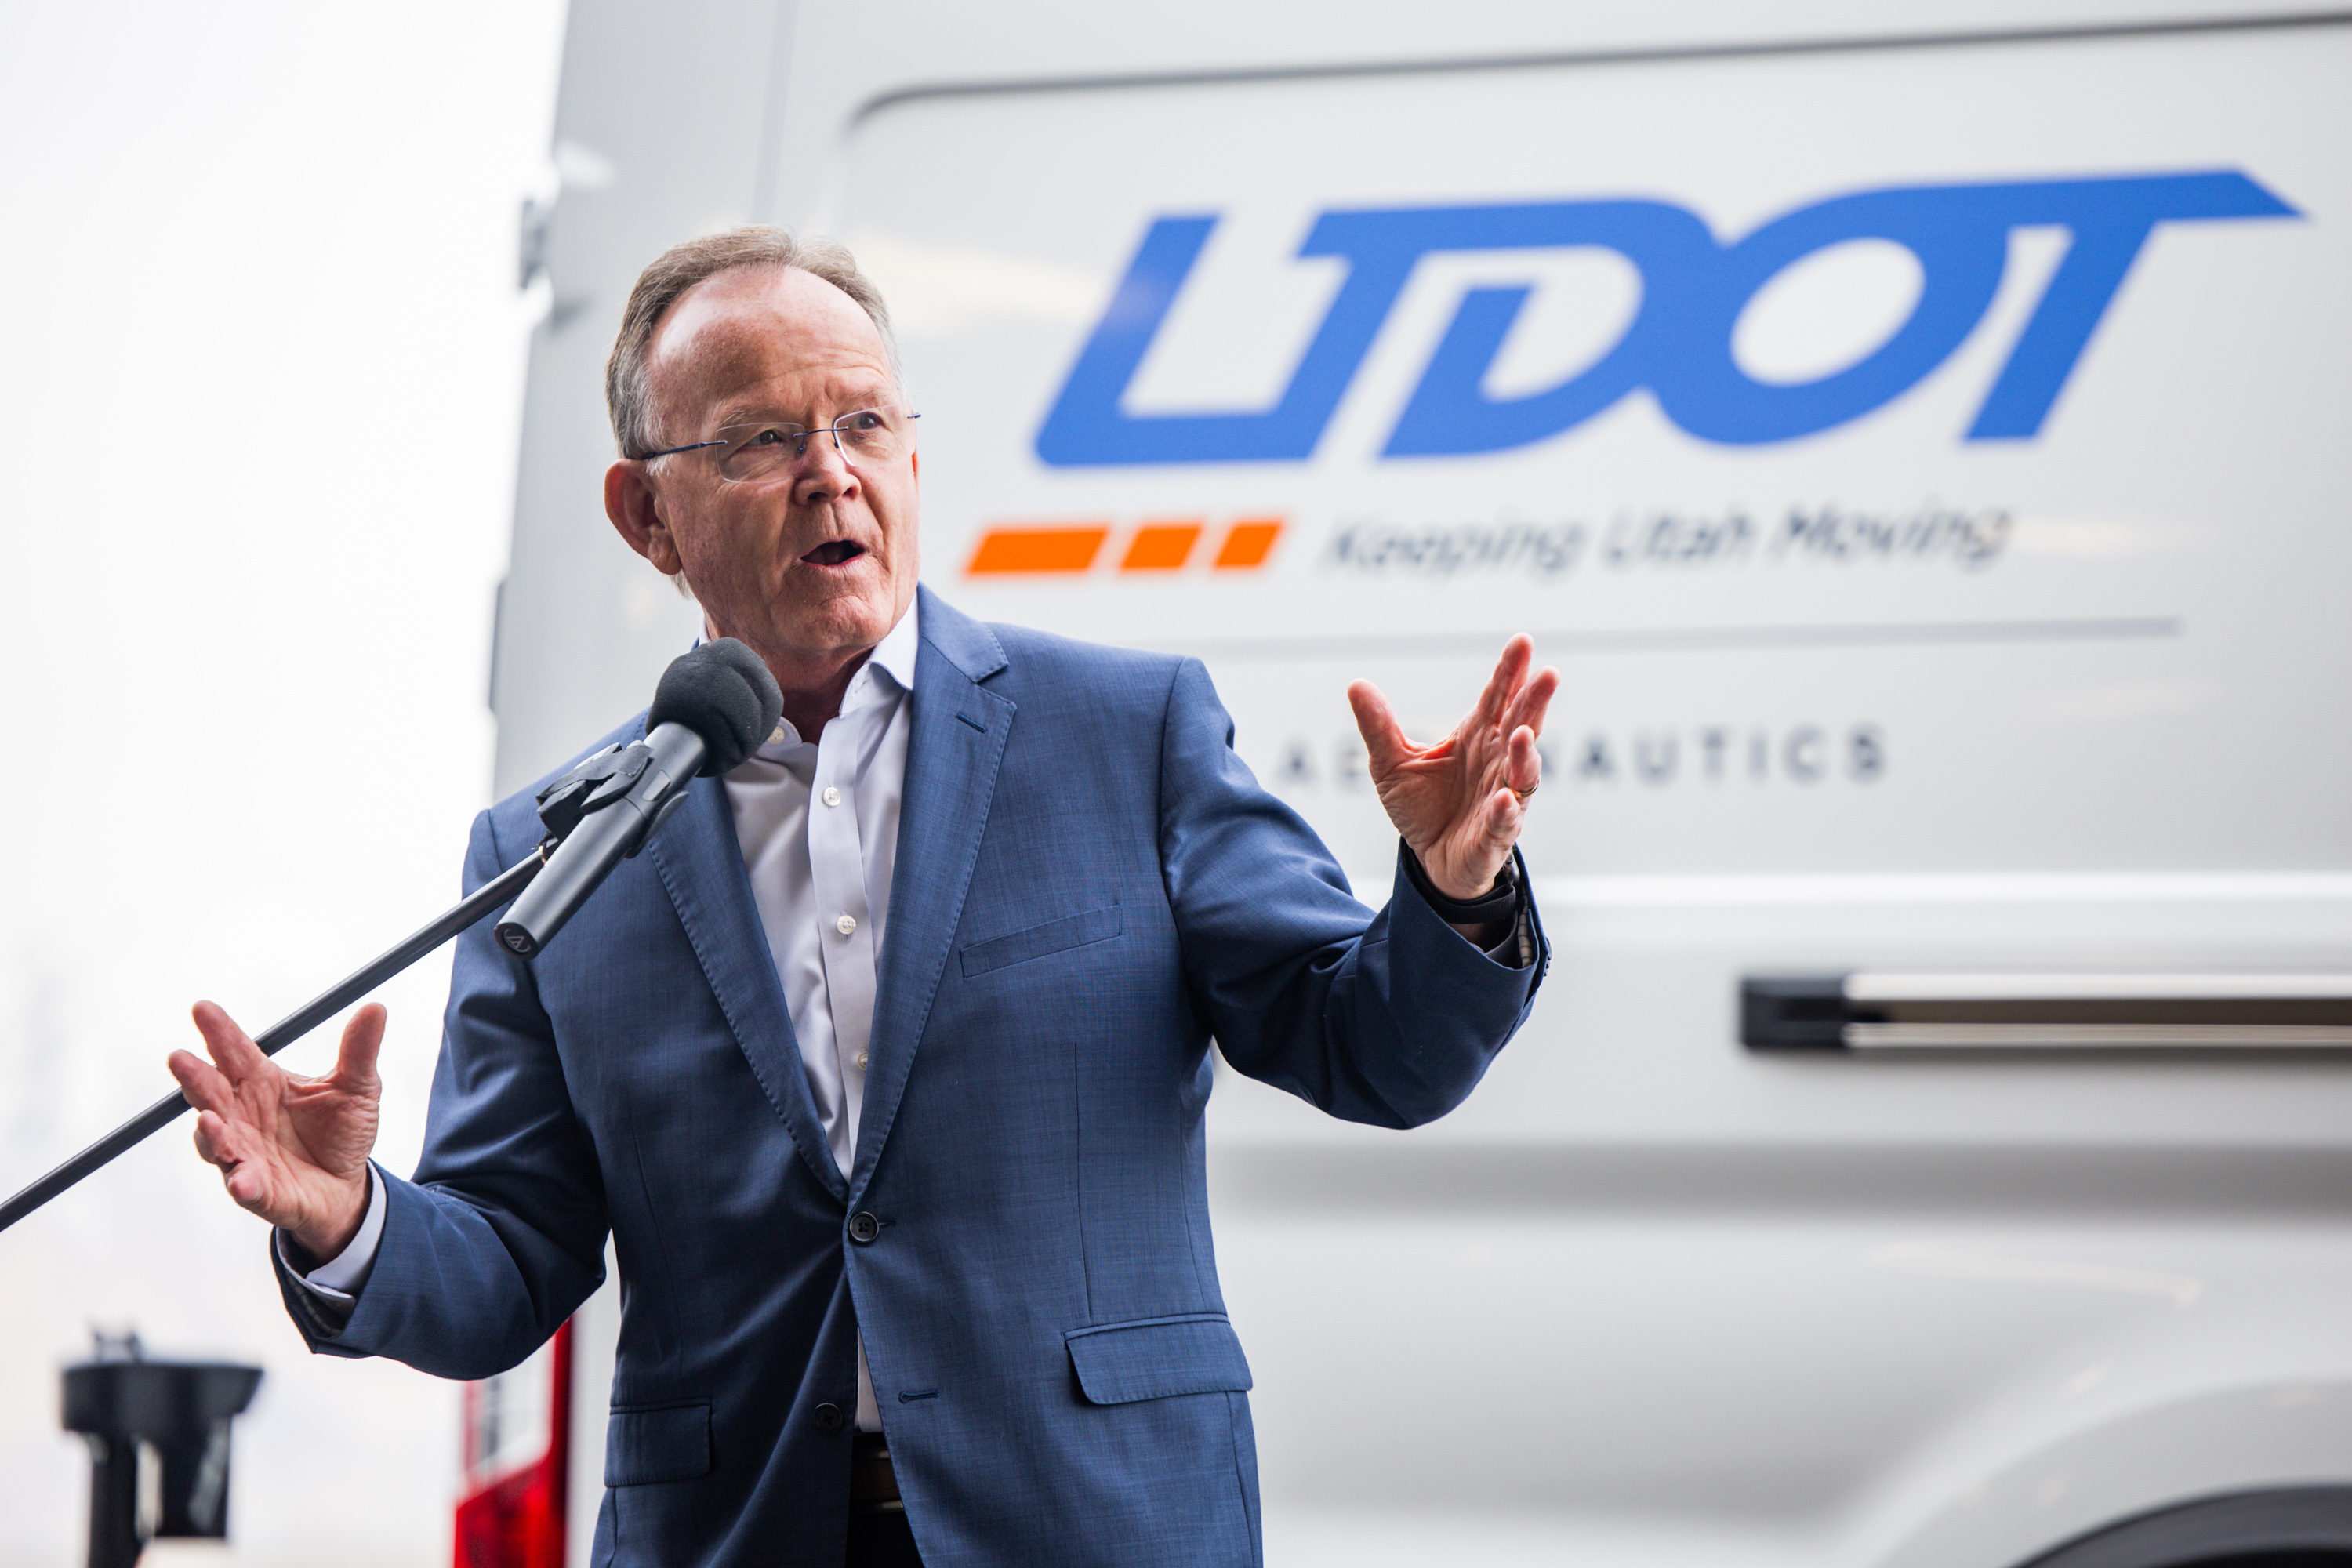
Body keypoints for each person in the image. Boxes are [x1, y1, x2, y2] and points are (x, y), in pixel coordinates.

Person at [168, 227, 1557, 1568]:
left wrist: (1452, 894)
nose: (830, 476)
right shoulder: (554, 846)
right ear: (645, 513)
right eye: (764, 440)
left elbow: (1372, 1049)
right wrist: (348, 1217)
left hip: (1098, 1521)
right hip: (736, 1534)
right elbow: (512, 1257)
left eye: (866, 426)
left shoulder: (1125, 734)